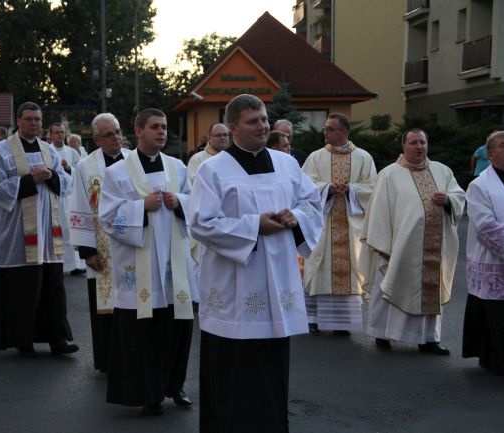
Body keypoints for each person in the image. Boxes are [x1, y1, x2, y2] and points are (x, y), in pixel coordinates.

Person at [189, 94, 323, 433]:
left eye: (264, 119)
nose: (262, 126)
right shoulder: (212, 170)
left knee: (271, 363)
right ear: (233, 127)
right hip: (234, 284)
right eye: (253, 121)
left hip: (277, 280)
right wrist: (254, 226)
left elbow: (312, 204)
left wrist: (295, 216)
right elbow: (202, 224)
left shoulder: (287, 164)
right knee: (234, 367)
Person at [99, 108, 196, 415]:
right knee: (144, 334)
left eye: (165, 127)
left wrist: (179, 202)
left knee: (177, 327)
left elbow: (198, 206)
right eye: (155, 127)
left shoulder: (178, 168)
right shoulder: (117, 172)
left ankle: (175, 385)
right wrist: (142, 206)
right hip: (140, 268)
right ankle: (148, 392)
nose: (162, 132)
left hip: (175, 268)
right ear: (138, 130)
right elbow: (108, 218)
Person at [361, 128, 465, 354]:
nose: (419, 147)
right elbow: (379, 211)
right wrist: (383, 243)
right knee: (390, 284)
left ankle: (429, 339)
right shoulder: (389, 174)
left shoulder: (442, 171)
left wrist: (448, 200)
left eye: (422, 143)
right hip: (399, 246)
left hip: (434, 247)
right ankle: (383, 333)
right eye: (414, 143)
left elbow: (459, 195)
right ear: (403, 147)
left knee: (430, 289)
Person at [0, 102, 78, 357]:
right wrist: (30, 180)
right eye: (29, 119)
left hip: (48, 232)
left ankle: (57, 339)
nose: (34, 123)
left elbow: (67, 183)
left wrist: (51, 176)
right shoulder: (1, 152)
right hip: (18, 232)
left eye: (38, 119)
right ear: (18, 121)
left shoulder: (49, 150)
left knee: (53, 286)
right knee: (22, 288)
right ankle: (22, 339)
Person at [302, 113, 377, 334]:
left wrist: (351, 189)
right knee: (318, 267)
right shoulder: (316, 157)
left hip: (350, 225)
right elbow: (304, 187)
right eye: (325, 128)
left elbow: (373, 188)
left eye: (329, 128)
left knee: (350, 270)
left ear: (342, 132)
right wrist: (327, 188)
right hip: (323, 224)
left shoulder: (364, 157)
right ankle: (313, 318)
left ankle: (342, 323)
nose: (324, 132)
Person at [69, 113, 130, 373]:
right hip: (101, 246)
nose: (116, 138)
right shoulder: (85, 167)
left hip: (130, 244)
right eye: (108, 134)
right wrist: (87, 250)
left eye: (117, 132)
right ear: (96, 140)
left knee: (131, 301)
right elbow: (80, 206)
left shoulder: (133, 161)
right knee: (104, 307)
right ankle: (106, 359)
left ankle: (130, 356)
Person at [462, 131, 504, 386]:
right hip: (496, 260)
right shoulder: (479, 185)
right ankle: (498, 361)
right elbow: (484, 225)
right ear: (490, 154)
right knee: (499, 316)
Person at [49, 122, 85, 275]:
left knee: (70, 230)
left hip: (69, 198)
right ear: (50, 135)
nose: (59, 135)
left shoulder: (72, 153)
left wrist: (69, 169)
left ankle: (74, 265)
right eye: (56, 132)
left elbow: (80, 172)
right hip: (53, 196)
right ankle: (56, 263)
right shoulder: (46, 150)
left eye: (62, 132)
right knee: (55, 230)